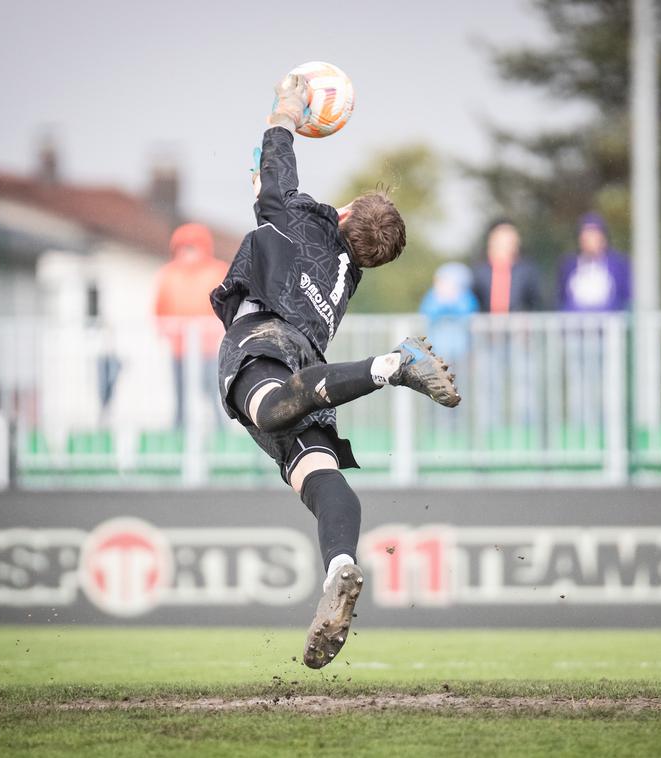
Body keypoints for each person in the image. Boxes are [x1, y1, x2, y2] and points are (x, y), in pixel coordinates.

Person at [211, 75, 460, 669]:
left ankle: (393, 364)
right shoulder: (349, 272)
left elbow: (275, 166)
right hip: (309, 363)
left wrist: (288, 109)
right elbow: (306, 209)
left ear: (346, 211)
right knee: (321, 479)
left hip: (262, 338)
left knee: (270, 407)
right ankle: (342, 567)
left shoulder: (298, 217)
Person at [154, 222, 229, 429]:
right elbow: (159, 308)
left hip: (208, 349)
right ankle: (179, 433)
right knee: (180, 395)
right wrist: (164, 331)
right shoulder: (169, 274)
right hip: (179, 349)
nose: (189, 252)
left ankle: (222, 431)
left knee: (214, 392)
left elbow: (227, 304)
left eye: (193, 246)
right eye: (184, 247)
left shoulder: (216, 271)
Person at [557, 213, 631, 312]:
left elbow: (626, 298)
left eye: (593, 236)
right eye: (585, 237)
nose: (589, 241)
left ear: (603, 239)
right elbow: (562, 298)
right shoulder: (569, 265)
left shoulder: (618, 264)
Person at [471, 219, 543, 313]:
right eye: (502, 239)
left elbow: (535, 301)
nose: (506, 244)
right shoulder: (479, 271)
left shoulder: (526, 270)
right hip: (487, 325)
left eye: (510, 239)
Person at [419, 262, 478, 367]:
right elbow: (427, 311)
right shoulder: (433, 295)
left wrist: (452, 301)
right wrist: (442, 302)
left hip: (460, 347)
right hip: (437, 346)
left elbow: (469, 309)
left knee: (459, 374)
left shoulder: (464, 296)